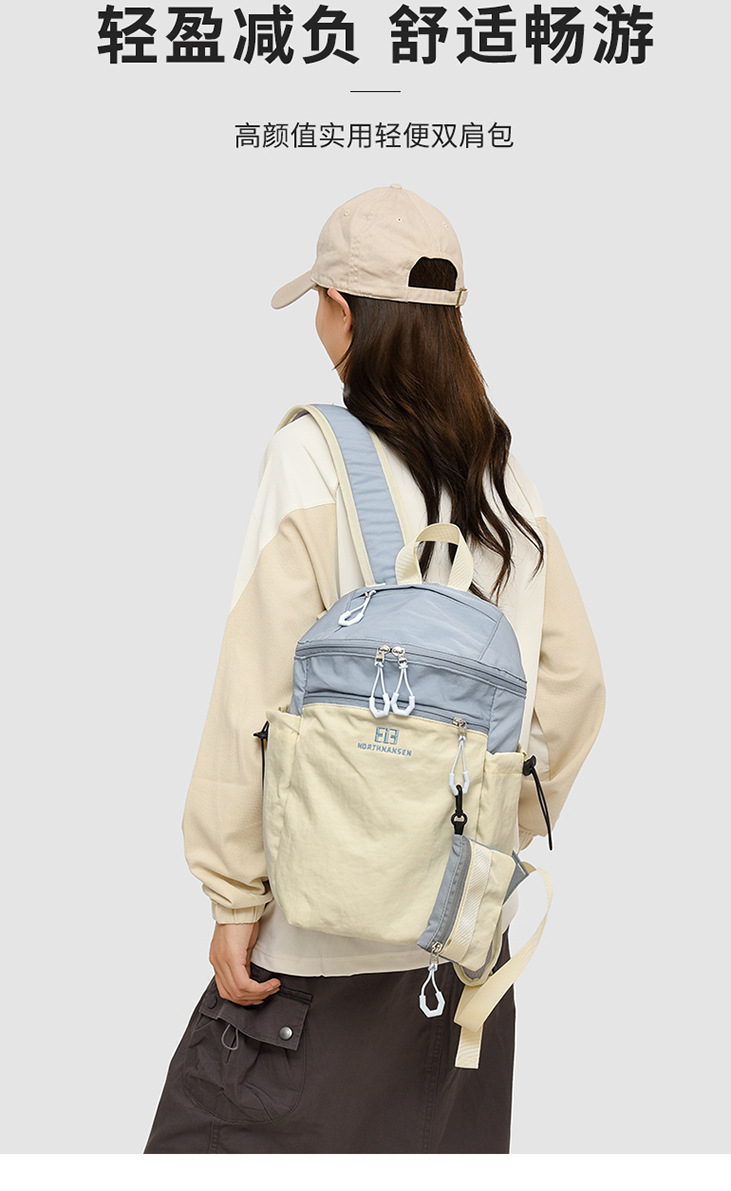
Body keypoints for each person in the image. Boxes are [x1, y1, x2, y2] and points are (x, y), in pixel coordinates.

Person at [144, 183, 605, 1155]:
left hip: (315, 953)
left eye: (319, 301)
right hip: (465, 965)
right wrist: (476, 837)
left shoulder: (312, 457)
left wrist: (232, 895)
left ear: (342, 310)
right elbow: (573, 690)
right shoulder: (503, 480)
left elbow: (253, 691)